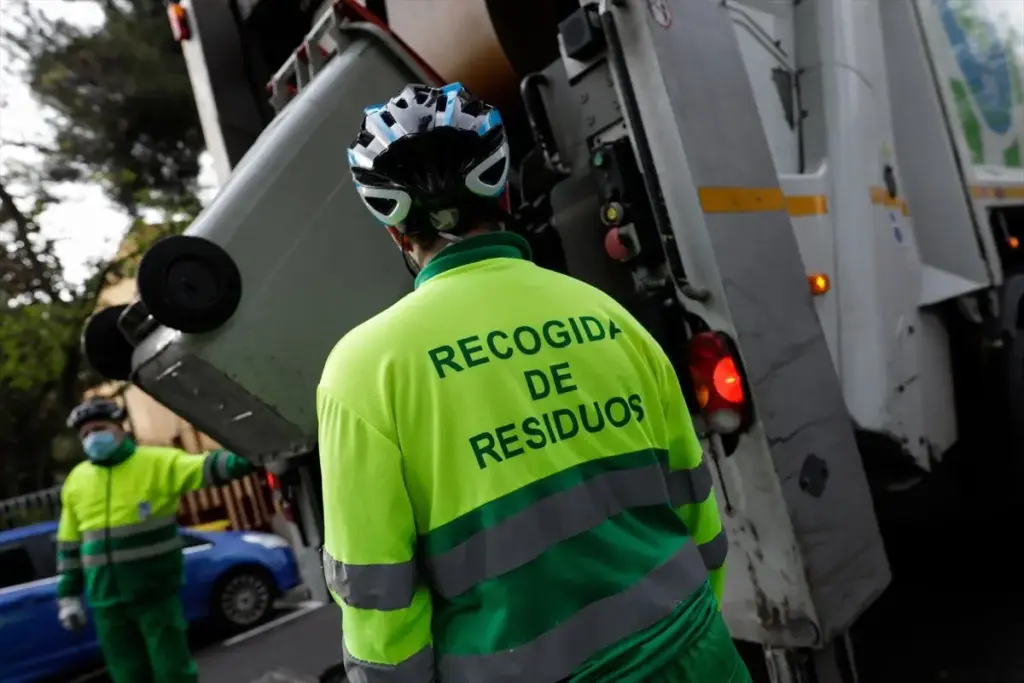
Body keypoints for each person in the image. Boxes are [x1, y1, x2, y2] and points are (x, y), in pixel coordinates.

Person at [318, 82, 752, 682]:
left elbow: (379, 606)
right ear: (503, 195)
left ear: (396, 233)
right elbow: (696, 506)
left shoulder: (362, 371)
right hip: (697, 654)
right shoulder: (607, 316)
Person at [56, 397, 257, 683]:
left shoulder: (155, 462)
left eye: (99, 429)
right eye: (85, 434)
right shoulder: (77, 480)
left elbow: (206, 467)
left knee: (172, 671)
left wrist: (254, 457)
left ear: (119, 428)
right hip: (106, 600)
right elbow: (68, 543)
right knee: (127, 675)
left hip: (154, 592)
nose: (92, 438)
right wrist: (68, 596)